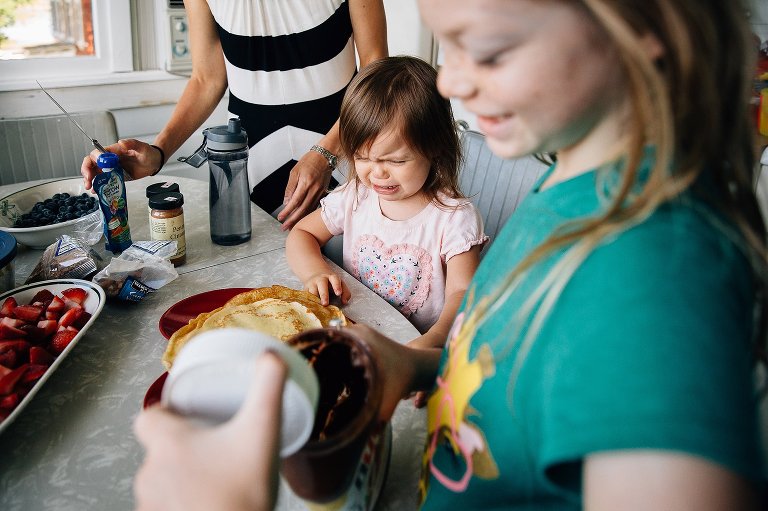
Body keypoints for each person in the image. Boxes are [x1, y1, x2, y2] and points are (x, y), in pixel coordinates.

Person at [133, 0, 768, 510]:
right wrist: (420, 369)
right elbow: (531, 370)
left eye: (486, 48)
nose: (452, 81)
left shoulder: (654, 279)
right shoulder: (568, 189)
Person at [81, 0, 387, 230]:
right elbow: (207, 79)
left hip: (343, 148)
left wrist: (326, 153)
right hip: (249, 164)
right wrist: (158, 152)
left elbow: (376, 66)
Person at [285, 56, 487, 349]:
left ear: (435, 149)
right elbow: (302, 234)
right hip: (355, 335)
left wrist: (433, 341)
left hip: (415, 348)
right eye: (362, 157)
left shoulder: (455, 218)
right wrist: (315, 271)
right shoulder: (357, 195)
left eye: (395, 160)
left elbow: (463, 294)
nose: (376, 173)